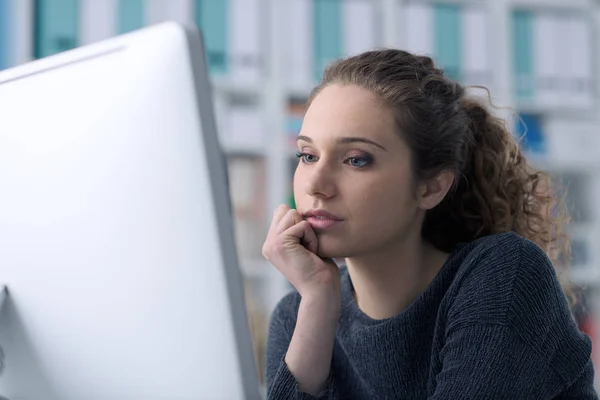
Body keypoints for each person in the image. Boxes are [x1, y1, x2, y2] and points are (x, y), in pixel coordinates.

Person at [261, 49, 598, 399]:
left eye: (356, 160)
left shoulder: (503, 274)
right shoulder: (300, 317)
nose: (315, 184)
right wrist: (316, 301)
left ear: (431, 186)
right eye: (308, 155)